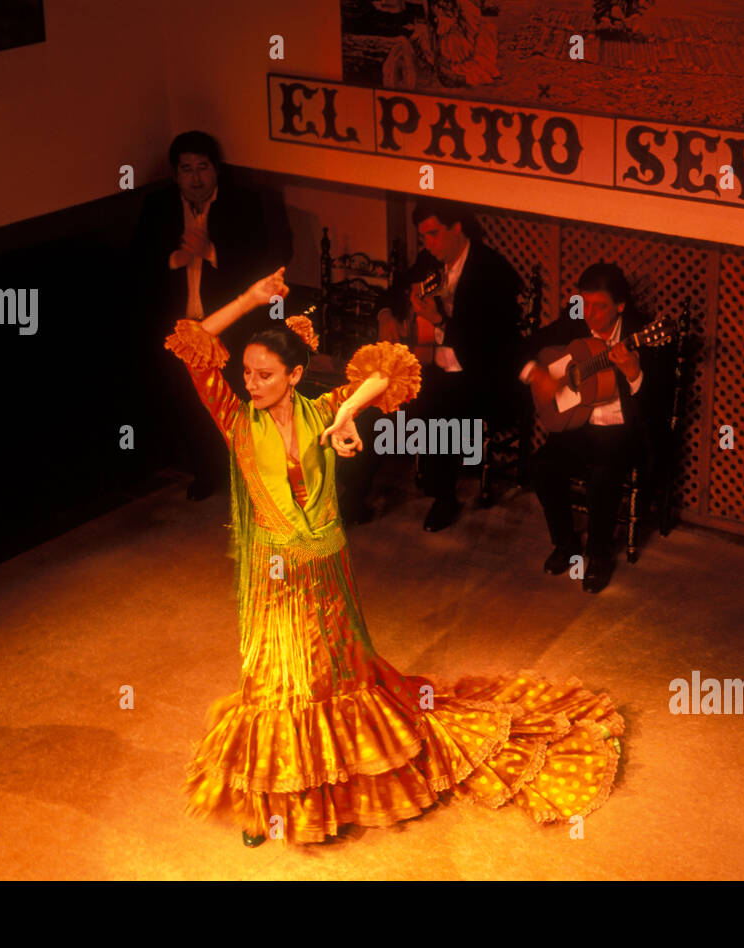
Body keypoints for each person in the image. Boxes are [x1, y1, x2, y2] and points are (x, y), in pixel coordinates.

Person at [168, 268, 624, 845]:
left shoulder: (318, 411)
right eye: (247, 374)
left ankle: (343, 780)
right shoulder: (236, 419)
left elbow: (392, 369)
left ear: (295, 376)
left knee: (333, 675)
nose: (251, 383)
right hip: (274, 573)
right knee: (275, 681)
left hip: (326, 567)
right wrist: (249, 298)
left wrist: (345, 412)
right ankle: (272, 798)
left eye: (264, 375)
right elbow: (191, 341)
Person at [131, 130, 292, 500]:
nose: (196, 177)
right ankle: (208, 471)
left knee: (240, 400)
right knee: (191, 405)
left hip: (234, 327)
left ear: (216, 170)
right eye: (187, 169)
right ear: (175, 175)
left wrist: (211, 251)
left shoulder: (244, 204)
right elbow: (138, 266)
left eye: (203, 168)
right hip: (181, 327)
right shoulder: (157, 207)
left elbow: (266, 262)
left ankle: (251, 473)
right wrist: (179, 258)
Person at [374, 198, 525, 531]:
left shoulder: (492, 270)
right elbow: (397, 288)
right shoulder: (430, 261)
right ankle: (357, 492)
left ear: (457, 229)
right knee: (378, 392)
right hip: (434, 365)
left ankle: (444, 497)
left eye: (434, 234)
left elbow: (491, 344)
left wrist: (440, 320)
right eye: (423, 237)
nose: (428, 244)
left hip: (480, 374)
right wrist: (387, 313)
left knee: (435, 407)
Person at [521, 263, 671, 593]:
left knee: (604, 476)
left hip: (623, 432)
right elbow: (528, 347)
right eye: (585, 303)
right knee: (542, 464)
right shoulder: (575, 318)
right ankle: (566, 544)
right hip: (579, 424)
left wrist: (634, 373)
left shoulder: (644, 335)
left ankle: (599, 556)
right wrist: (537, 373)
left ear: (620, 305)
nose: (590, 314)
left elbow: (657, 408)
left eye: (600, 306)